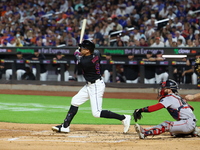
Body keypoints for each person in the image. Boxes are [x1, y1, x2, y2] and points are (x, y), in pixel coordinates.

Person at [52, 40, 131, 133]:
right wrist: (80, 51)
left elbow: (78, 60)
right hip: (89, 85)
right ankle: (65, 126)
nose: (81, 49)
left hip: (96, 86)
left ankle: (124, 118)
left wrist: (77, 54)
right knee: (75, 101)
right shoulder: (96, 53)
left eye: (83, 48)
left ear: (88, 51)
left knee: (97, 113)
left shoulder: (85, 61)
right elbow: (84, 55)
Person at [133, 79, 200, 139]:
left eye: (164, 88)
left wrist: (141, 110)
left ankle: (144, 132)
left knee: (167, 124)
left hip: (187, 123)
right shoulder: (177, 97)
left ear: (169, 90)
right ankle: (193, 131)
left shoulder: (169, 97)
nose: (161, 90)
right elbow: (191, 108)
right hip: (188, 122)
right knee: (173, 132)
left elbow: (155, 107)